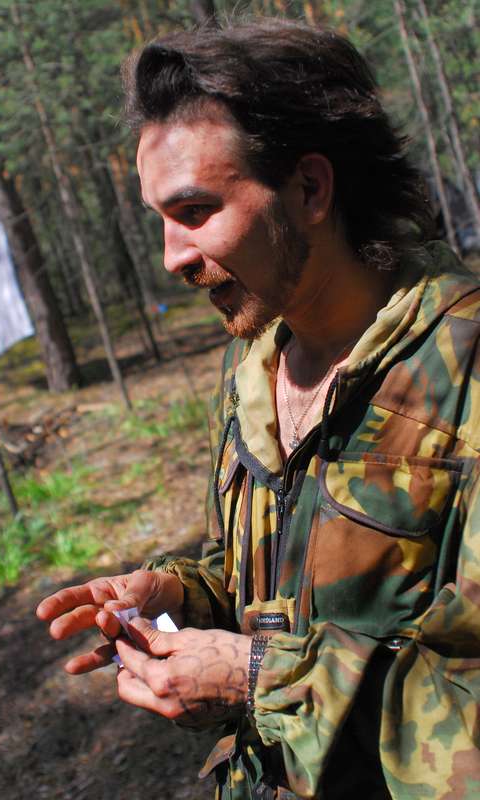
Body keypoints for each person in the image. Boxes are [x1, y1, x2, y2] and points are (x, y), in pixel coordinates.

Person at [37, 18, 480, 799]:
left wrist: (255, 679)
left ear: (309, 189)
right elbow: (266, 580)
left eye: (195, 211)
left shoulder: (465, 369)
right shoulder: (253, 362)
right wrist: (181, 599)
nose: (171, 257)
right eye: (159, 220)